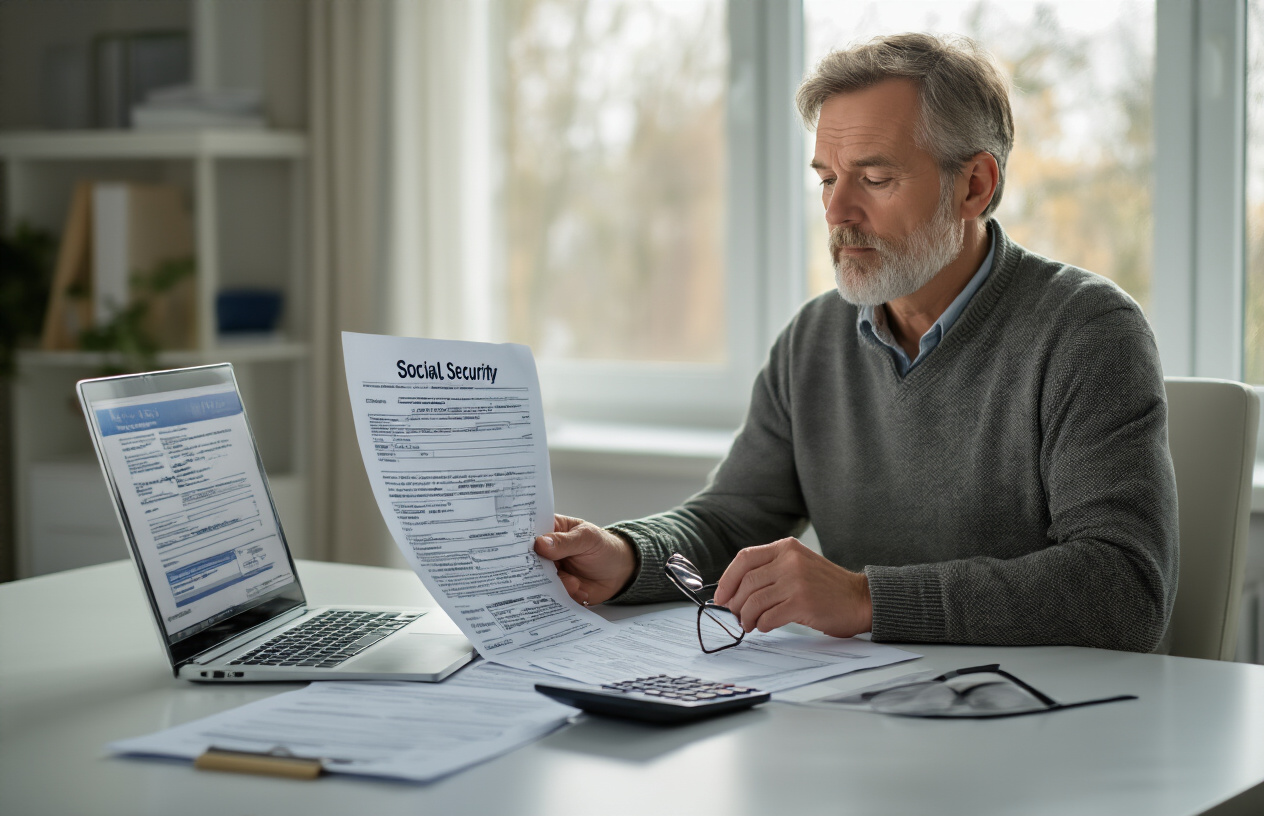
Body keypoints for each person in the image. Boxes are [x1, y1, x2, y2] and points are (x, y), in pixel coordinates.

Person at [533, 33, 1178, 652]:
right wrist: (624, 555)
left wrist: (867, 598)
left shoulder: (1087, 330)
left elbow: (1123, 587)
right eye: (825, 179)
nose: (837, 212)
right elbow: (731, 521)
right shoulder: (813, 339)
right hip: (864, 709)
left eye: (874, 179)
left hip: (1046, 725)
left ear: (975, 185)